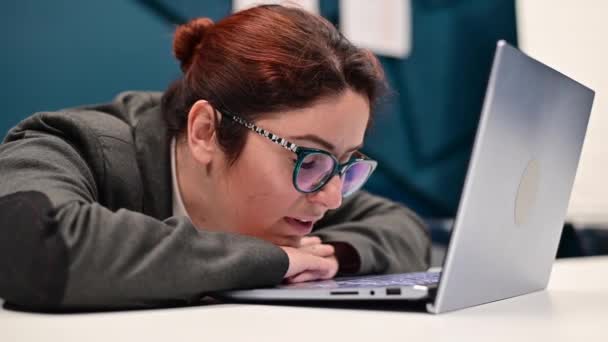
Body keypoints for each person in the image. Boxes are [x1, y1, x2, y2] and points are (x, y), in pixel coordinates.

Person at [0, 4, 430, 310]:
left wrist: (330, 256)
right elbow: (33, 245)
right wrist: (272, 260)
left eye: (346, 164)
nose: (333, 198)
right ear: (205, 131)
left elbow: (403, 228)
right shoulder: (66, 143)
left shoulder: (306, 192)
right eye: (310, 157)